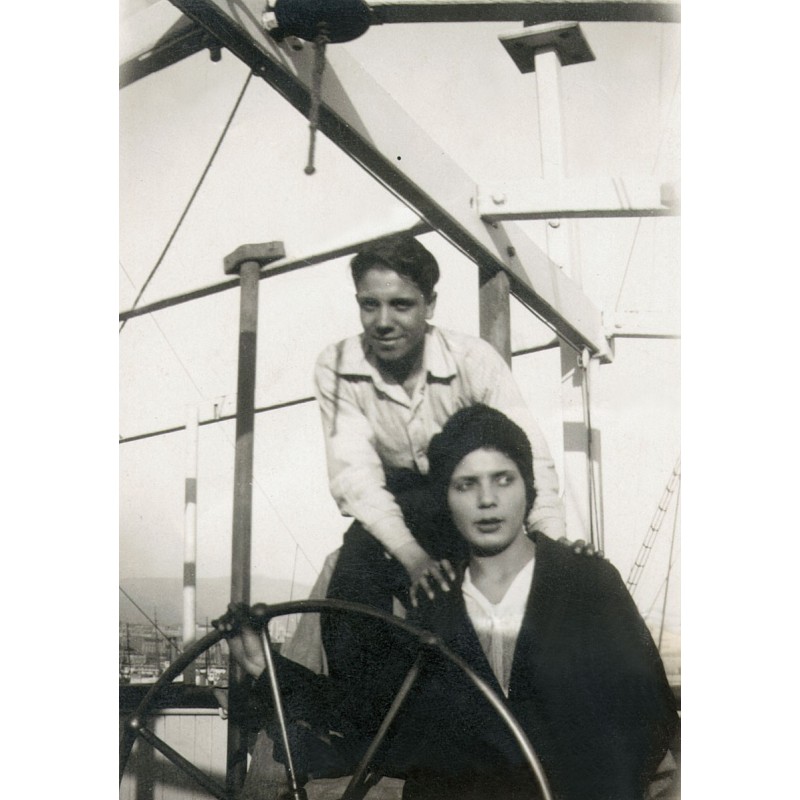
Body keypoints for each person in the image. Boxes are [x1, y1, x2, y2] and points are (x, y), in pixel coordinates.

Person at [225, 405, 678, 799]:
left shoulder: (587, 581)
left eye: (503, 479)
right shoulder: (434, 602)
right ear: (446, 497)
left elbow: (651, 719)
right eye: (466, 485)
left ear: (528, 488)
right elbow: (378, 719)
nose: (487, 500)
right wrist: (268, 669)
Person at [298, 233, 568, 703]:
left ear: (430, 305)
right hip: (395, 504)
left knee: (468, 607)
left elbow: (528, 457)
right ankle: (357, 727)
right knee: (350, 588)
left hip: (464, 502)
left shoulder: (473, 360)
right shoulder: (336, 365)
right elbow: (355, 477)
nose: (383, 322)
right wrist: (413, 558)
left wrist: (552, 545)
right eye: (369, 305)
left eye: (401, 305)